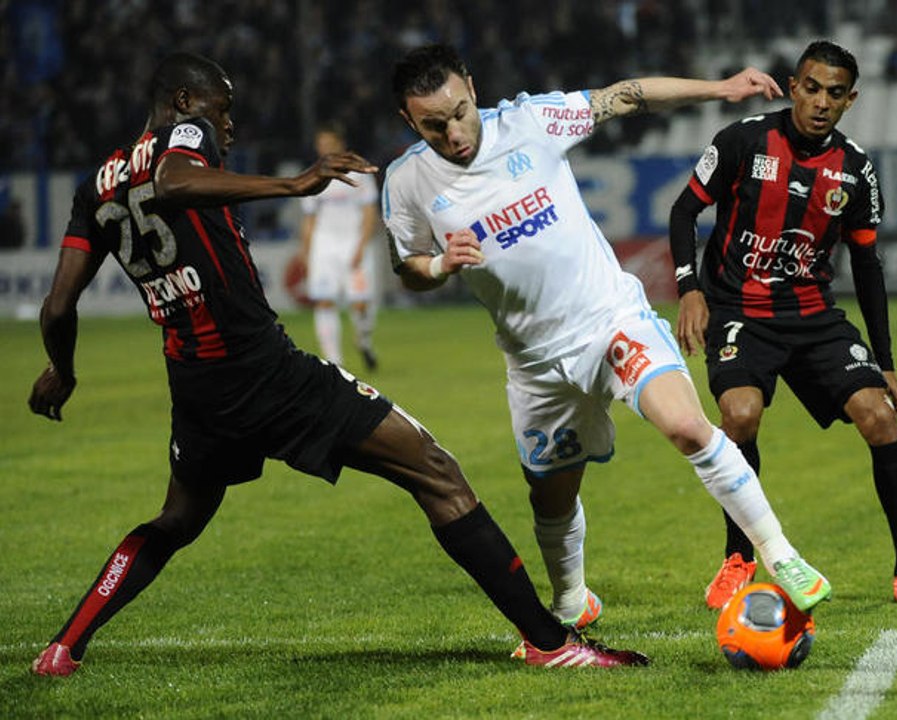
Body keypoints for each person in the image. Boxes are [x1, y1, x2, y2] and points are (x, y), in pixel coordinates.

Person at [28, 52, 651, 677]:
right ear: (187, 103)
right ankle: (551, 642)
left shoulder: (96, 186)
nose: (229, 126)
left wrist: (63, 369)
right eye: (224, 108)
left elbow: (57, 306)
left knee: (177, 519)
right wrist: (293, 185)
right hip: (267, 372)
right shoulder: (183, 136)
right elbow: (172, 182)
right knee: (436, 472)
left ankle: (63, 647)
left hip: (196, 386)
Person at [382, 43, 832, 643]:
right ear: (408, 121)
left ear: (470, 85)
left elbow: (625, 95)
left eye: (460, 112)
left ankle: (779, 553)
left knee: (688, 427)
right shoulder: (407, 181)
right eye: (434, 125)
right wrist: (439, 265)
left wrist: (719, 89)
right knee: (550, 496)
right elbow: (407, 263)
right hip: (536, 361)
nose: (455, 132)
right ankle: (571, 601)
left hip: (609, 320)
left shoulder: (530, 122)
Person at [669, 40, 897, 608]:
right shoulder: (743, 141)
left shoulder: (857, 170)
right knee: (738, 416)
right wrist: (690, 289)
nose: (820, 102)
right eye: (811, 88)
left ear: (850, 100)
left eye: (834, 94)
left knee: (881, 419)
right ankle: (739, 558)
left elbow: (867, 266)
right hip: (741, 311)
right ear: (794, 86)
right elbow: (684, 210)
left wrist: (885, 361)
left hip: (814, 317)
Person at [297, 123, 380, 371]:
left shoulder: (360, 173)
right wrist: (307, 250)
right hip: (325, 245)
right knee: (324, 300)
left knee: (361, 304)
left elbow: (368, 212)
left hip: (354, 243)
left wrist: (362, 245)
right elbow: (310, 218)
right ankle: (335, 364)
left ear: (340, 144)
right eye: (320, 144)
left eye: (329, 143)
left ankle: (363, 340)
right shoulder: (312, 175)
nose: (324, 148)